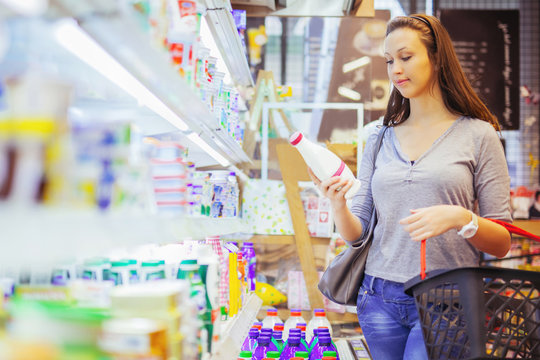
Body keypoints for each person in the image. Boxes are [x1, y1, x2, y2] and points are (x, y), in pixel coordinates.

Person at [309, 14, 512, 360]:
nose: (395, 70)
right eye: (389, 61)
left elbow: (502, 243)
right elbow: (356, 235)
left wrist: (462, 218)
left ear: (436, 58)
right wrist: (338, 204)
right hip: (378, 297)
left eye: (406, 57)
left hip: (449, 298)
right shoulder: (376, 136)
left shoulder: (479, 135)